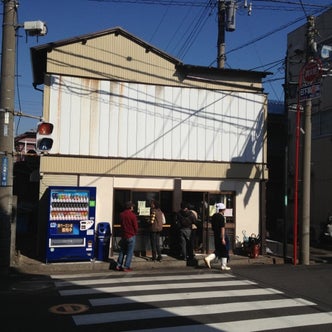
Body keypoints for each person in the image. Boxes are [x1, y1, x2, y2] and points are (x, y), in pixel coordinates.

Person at [204, 202, 231, 271]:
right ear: (222, 210)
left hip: (215, 235)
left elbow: (213, 227)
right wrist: (223, 238)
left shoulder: (214, 216)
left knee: (219, 250)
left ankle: (209, 258)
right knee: (224, 250)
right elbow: (222, 228)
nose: (225, 210)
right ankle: (223, 266)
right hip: (221, 235)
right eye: (224, 209)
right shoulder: (221, 217)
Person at [115, 201, 138, 272]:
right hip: (131, 235)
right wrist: (135, 233)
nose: (133, 207)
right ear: (130, 207)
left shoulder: (121, 214)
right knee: (129, 252)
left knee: (122, 251)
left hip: (124, 235)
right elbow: (135, 226)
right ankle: (126, 266)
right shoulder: (132, 215)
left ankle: (118, 265)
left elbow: (121, 224)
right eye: (132, 206)